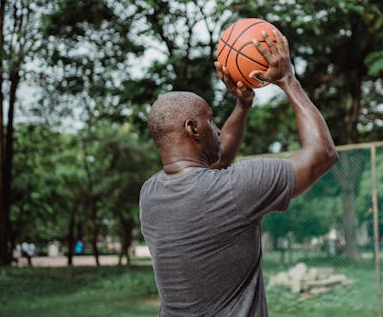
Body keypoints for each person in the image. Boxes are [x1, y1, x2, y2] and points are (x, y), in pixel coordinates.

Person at [140, 29, 338, 317]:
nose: (218, 129)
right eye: (210, 120)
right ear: (193, 129)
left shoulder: (150, 194)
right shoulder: (234, 189)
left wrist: (243, 104)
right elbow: (323, 155)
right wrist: (288, 80)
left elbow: (218, 161)